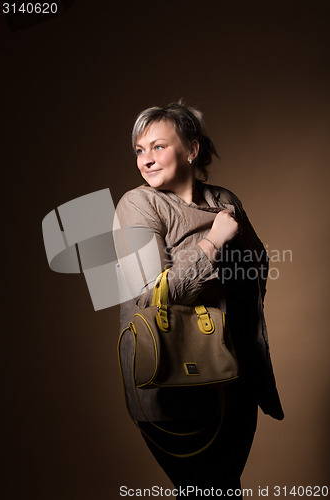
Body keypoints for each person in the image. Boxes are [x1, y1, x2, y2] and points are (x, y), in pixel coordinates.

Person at [113, 101, 284, 498]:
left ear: (191, 149)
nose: (146, 160)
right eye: (140, 150)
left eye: (158, 146)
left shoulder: (225, 199)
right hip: (174, 381)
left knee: (225, 490)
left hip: (236, 375)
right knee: (206, 491)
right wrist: (212, 242)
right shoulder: (138, 204)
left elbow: (256, 269)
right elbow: (150, 296)